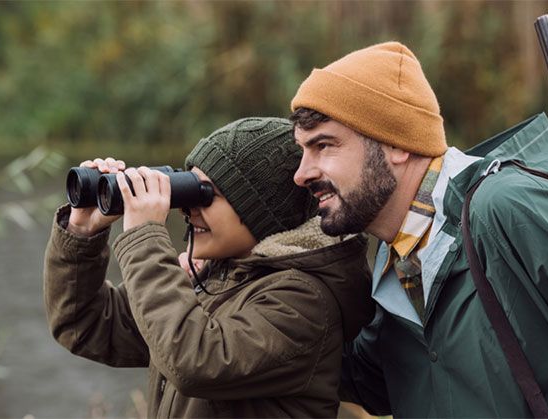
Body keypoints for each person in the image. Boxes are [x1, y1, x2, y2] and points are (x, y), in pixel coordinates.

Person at [288, 41, 548, 417]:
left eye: (324, 145)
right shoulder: (397, 259)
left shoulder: (507, 209)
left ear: (396, 144)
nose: (302, 173)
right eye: (302, 150)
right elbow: (371, 381)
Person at [43, 117, 375, 418]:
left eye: (205, 195)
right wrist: (84, 232)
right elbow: (83, 325)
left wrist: (146, 239)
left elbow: (195, 361)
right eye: (188, 189)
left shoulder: (304, 302)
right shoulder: (218, 278)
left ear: (263, 213)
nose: (189, 210)